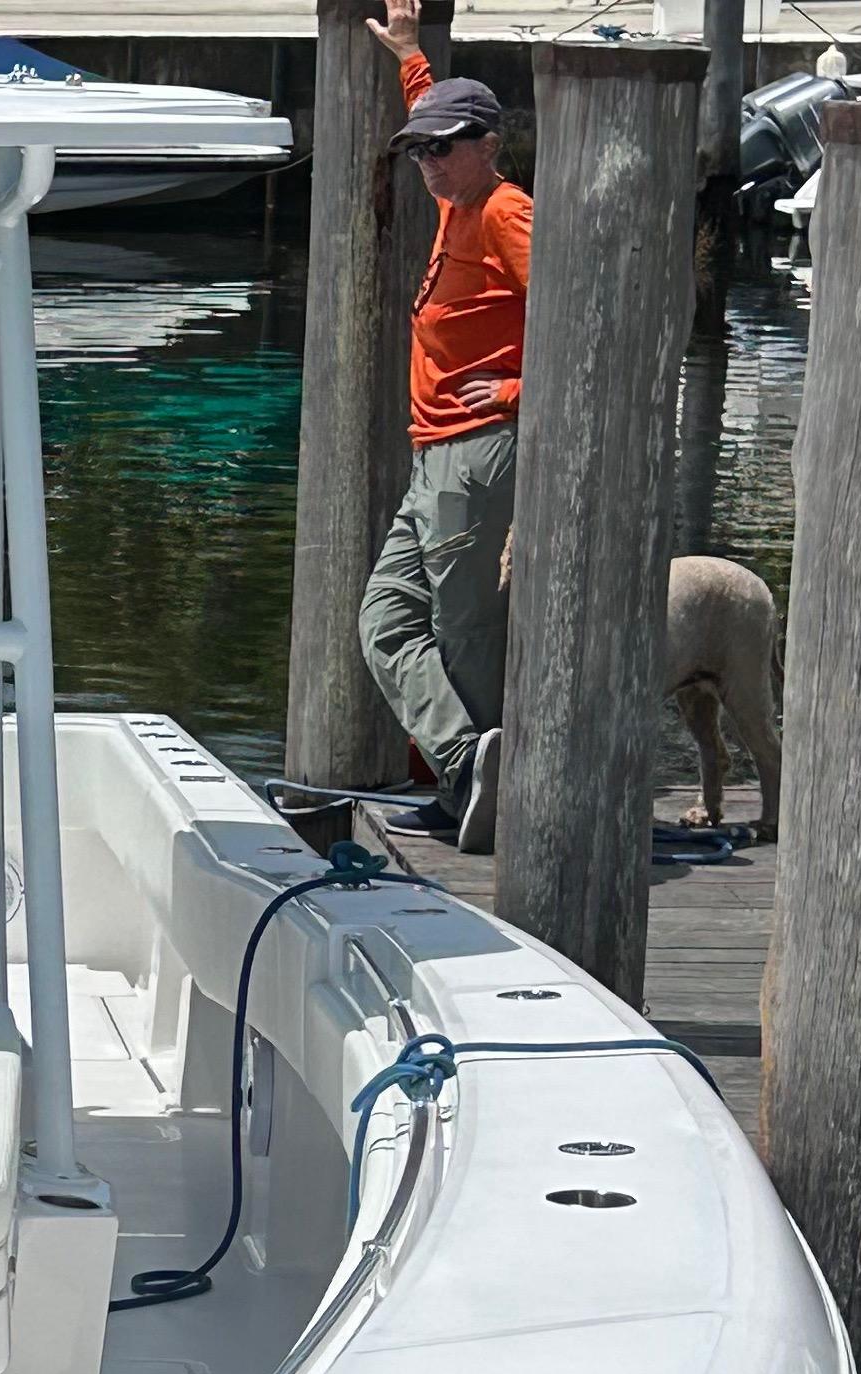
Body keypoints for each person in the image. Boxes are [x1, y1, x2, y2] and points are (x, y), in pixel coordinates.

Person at [356, 0, 530, 854]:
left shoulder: (503, 211)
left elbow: (585, 313)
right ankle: (466, 767)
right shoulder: (457, 203)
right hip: (434, 458)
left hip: (478, 454)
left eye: (442, 147)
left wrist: (518, 389)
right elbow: (435, 111)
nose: (426, 160)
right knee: (385, 621)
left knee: (466, 638)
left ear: (487, 146)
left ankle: (494, 801)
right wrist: (410, 56)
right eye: (418, 148)